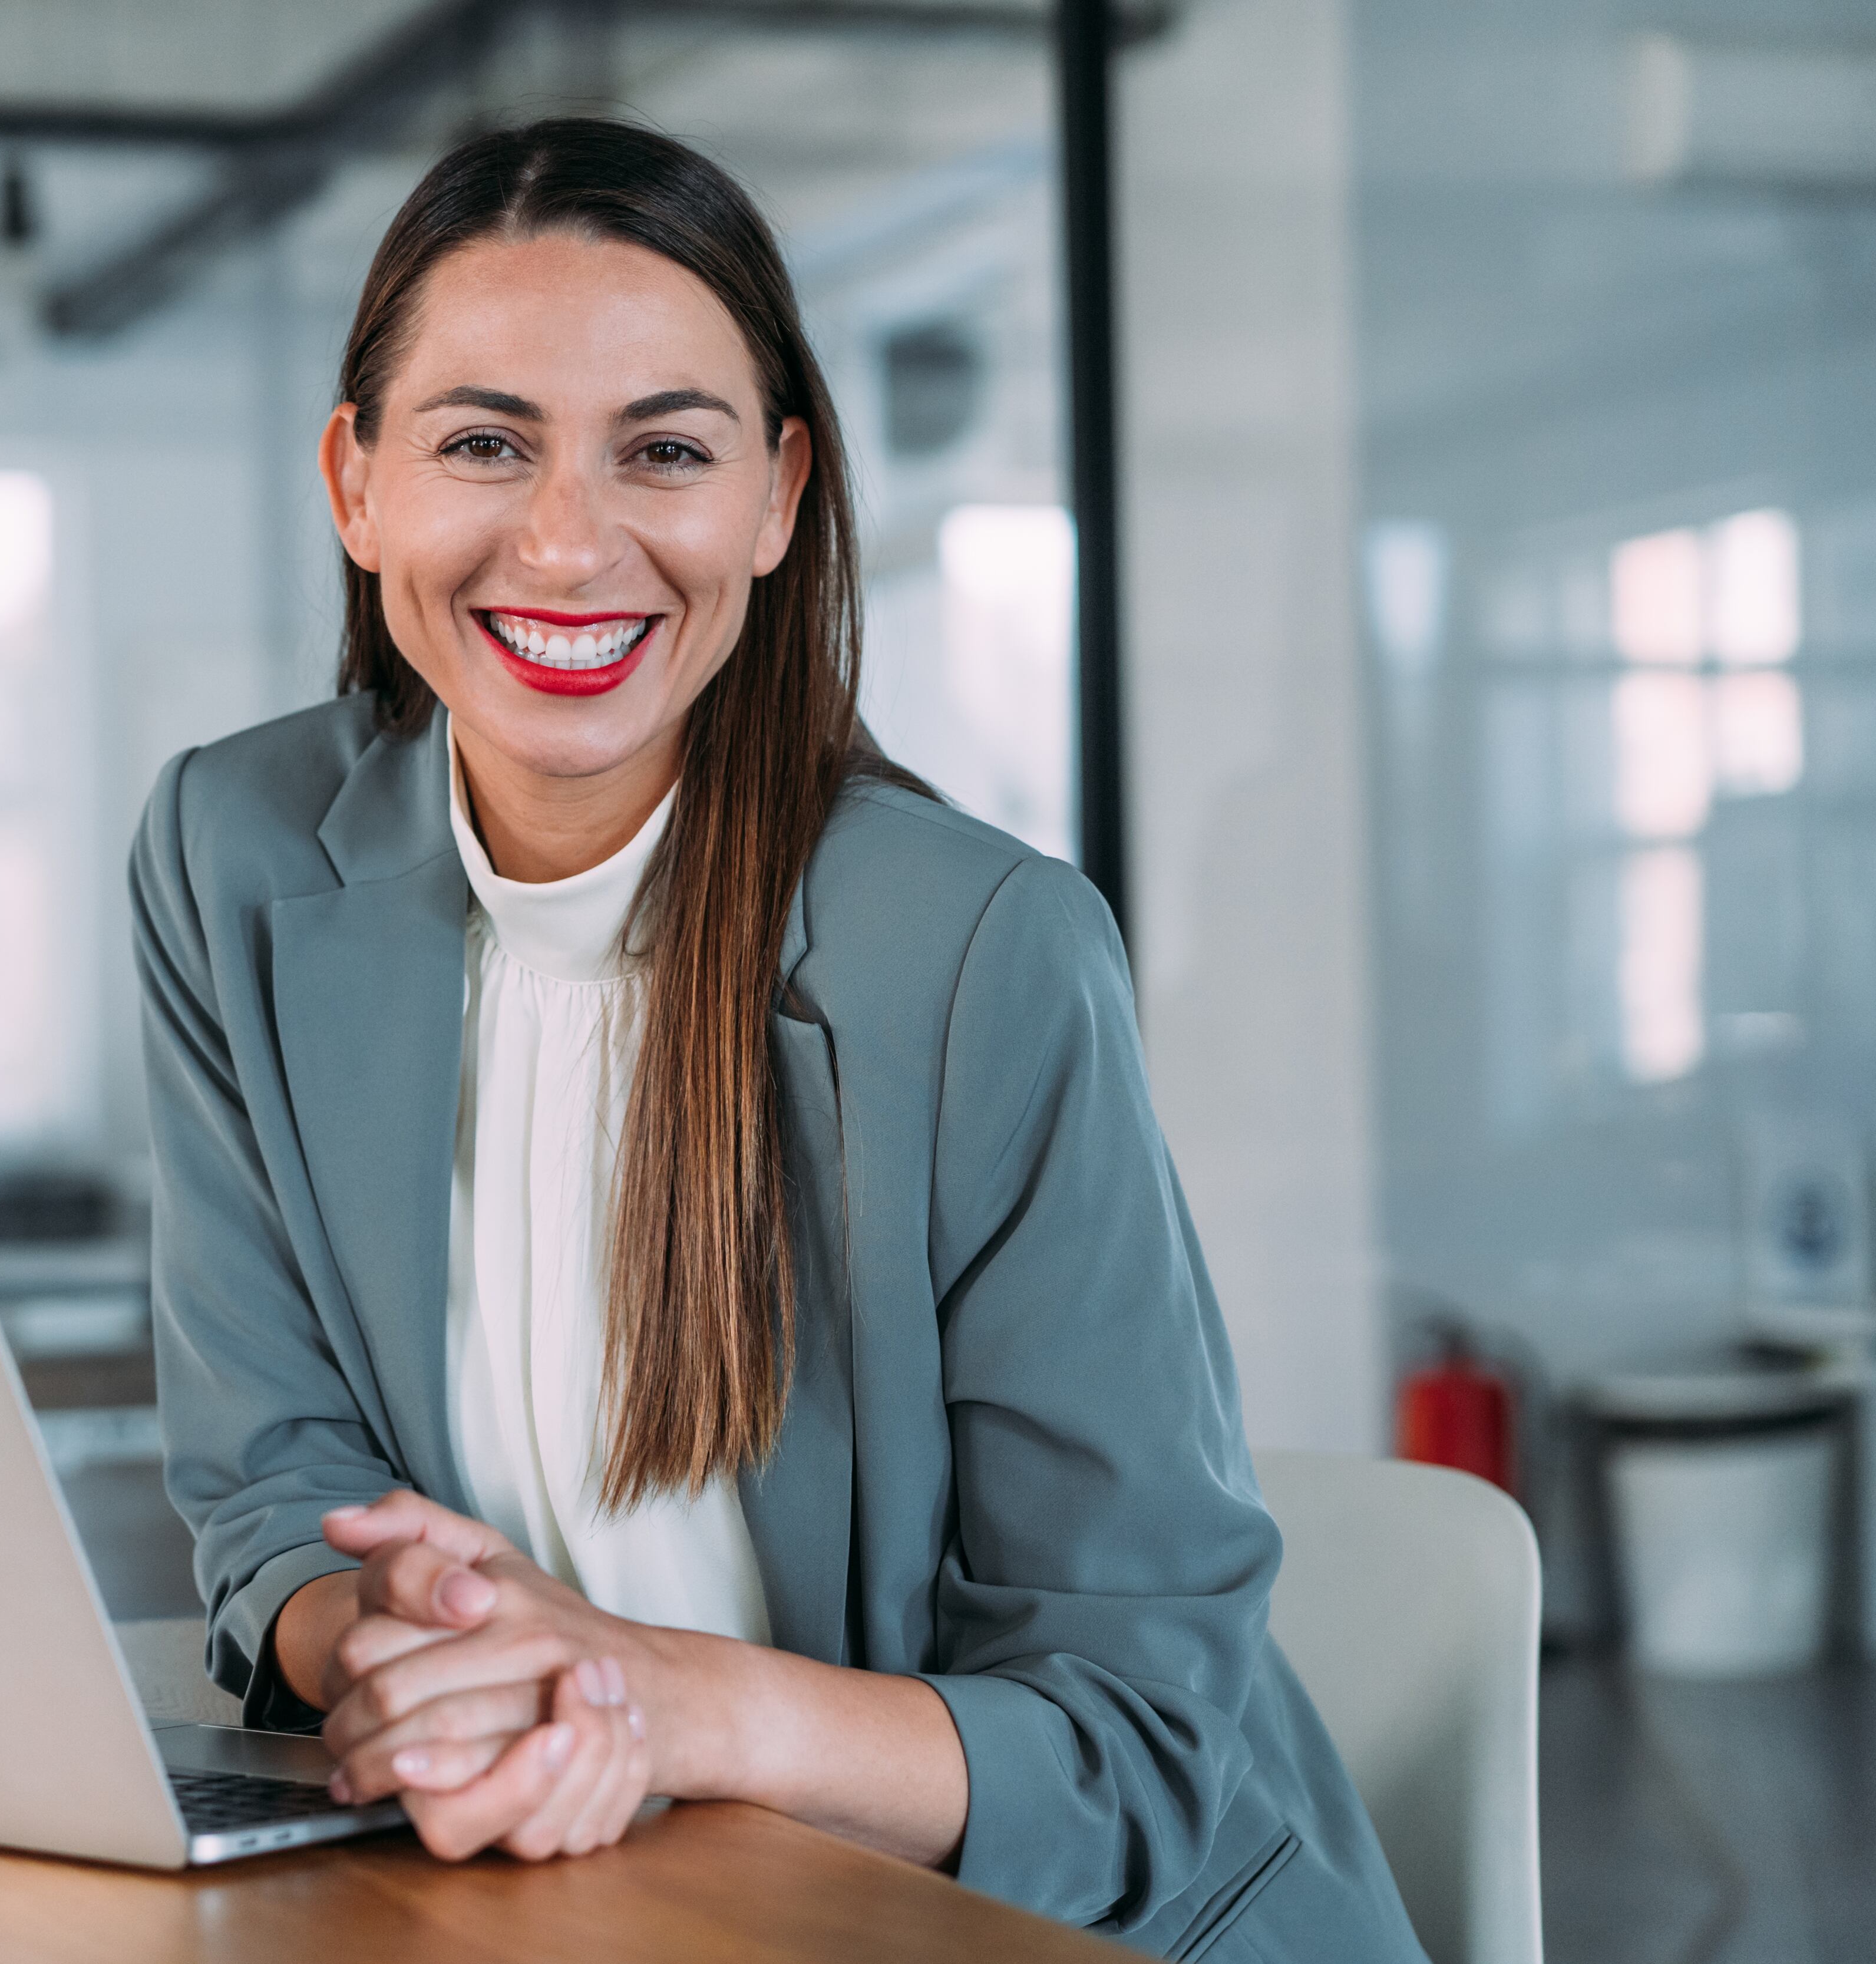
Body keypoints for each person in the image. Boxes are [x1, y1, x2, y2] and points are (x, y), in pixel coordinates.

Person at [131, 118, 1422, 1957]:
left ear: (776, 495)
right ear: (357, 486)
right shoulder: (228, 856)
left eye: (665, 450)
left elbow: (1135, 1751)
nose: (568, 541)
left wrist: (659, 1701)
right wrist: (412, 1649)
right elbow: (273, 1482)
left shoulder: (983, 955)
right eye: (483, 443)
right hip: (593, 1901)